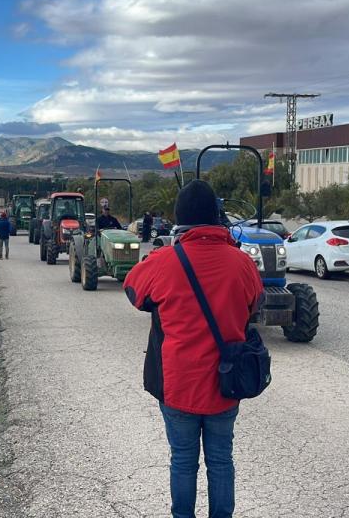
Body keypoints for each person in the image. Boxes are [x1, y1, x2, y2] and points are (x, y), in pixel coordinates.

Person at [123, 180, 264, 518]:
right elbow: (254, 305)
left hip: (178, 385)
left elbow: (132, 291)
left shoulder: (163, 262)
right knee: (221, 460)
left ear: (179, 218)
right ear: (217, 217)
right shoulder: (241, 263)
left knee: (183, 461)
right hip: (226, 383)